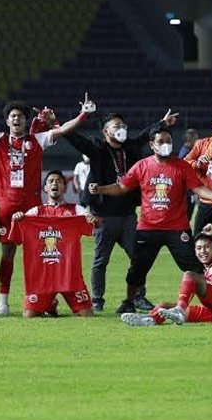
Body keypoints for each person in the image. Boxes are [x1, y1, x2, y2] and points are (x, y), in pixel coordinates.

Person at [0, 91, 96, 316]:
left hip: (33, 209)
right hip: (8, 206)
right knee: (7, 253)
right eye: (12, 116)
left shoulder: (37, 140)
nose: (16, 119)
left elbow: (63, 130)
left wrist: (82, 115)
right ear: (7, 120)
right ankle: (4, 302)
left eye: (20, 115)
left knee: (42, 253)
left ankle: (45, 299)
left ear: (26, 120)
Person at [89, 127, 212, 314]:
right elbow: (122, 187)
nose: (166, 144)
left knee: (194, 268)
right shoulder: (142, 166)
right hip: (148, 228)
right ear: (152, 145)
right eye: (161, 141)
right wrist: (101, 190)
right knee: (137, 270)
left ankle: (210, 303)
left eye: (168, 140)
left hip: (177, 228)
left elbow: (199, 189)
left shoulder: (182, 166)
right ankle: (129, 302)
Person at [64, 109, 180, 312]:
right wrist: (56, 125)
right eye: (116, 126)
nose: (122, 130)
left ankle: (139, 298)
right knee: (100, 261)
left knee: (138, 258)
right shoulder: (97, 148)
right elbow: (75, 139)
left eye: (123, 126)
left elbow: (146, 135)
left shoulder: (130, 148)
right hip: (103, 216)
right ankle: (97, 300)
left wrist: (162, 123)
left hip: (128, 216)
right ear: (105, 131)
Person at [8, 170, 96, 318]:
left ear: (64, 187)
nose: (55, 183)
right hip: (43, 279)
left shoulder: (76, 210)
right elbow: (16, 239)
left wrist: (92, 219)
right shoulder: (35, 212)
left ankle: (50, 303)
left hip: (69, 276)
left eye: (59, 181)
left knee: (87, 315)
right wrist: (16, 218)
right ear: (45, 188)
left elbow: (93, 225)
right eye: (51, 181)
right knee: (28, 316)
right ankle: (50, 303)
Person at [121, 224, 212, 327]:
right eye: (199, 248)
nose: (203, 251)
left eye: (207, 247)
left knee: (189, 274)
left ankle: (179, 310)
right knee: (164, 306)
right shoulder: (205, 271)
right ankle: (149, 320)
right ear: (195, 251)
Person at [178, 128, 199, 223]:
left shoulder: (185, 151)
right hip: (187, 192)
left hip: (187, 192)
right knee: (186, 218)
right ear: (190, 140)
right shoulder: (186, 154)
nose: (197, 141)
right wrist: (192, 192)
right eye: (196, 139)